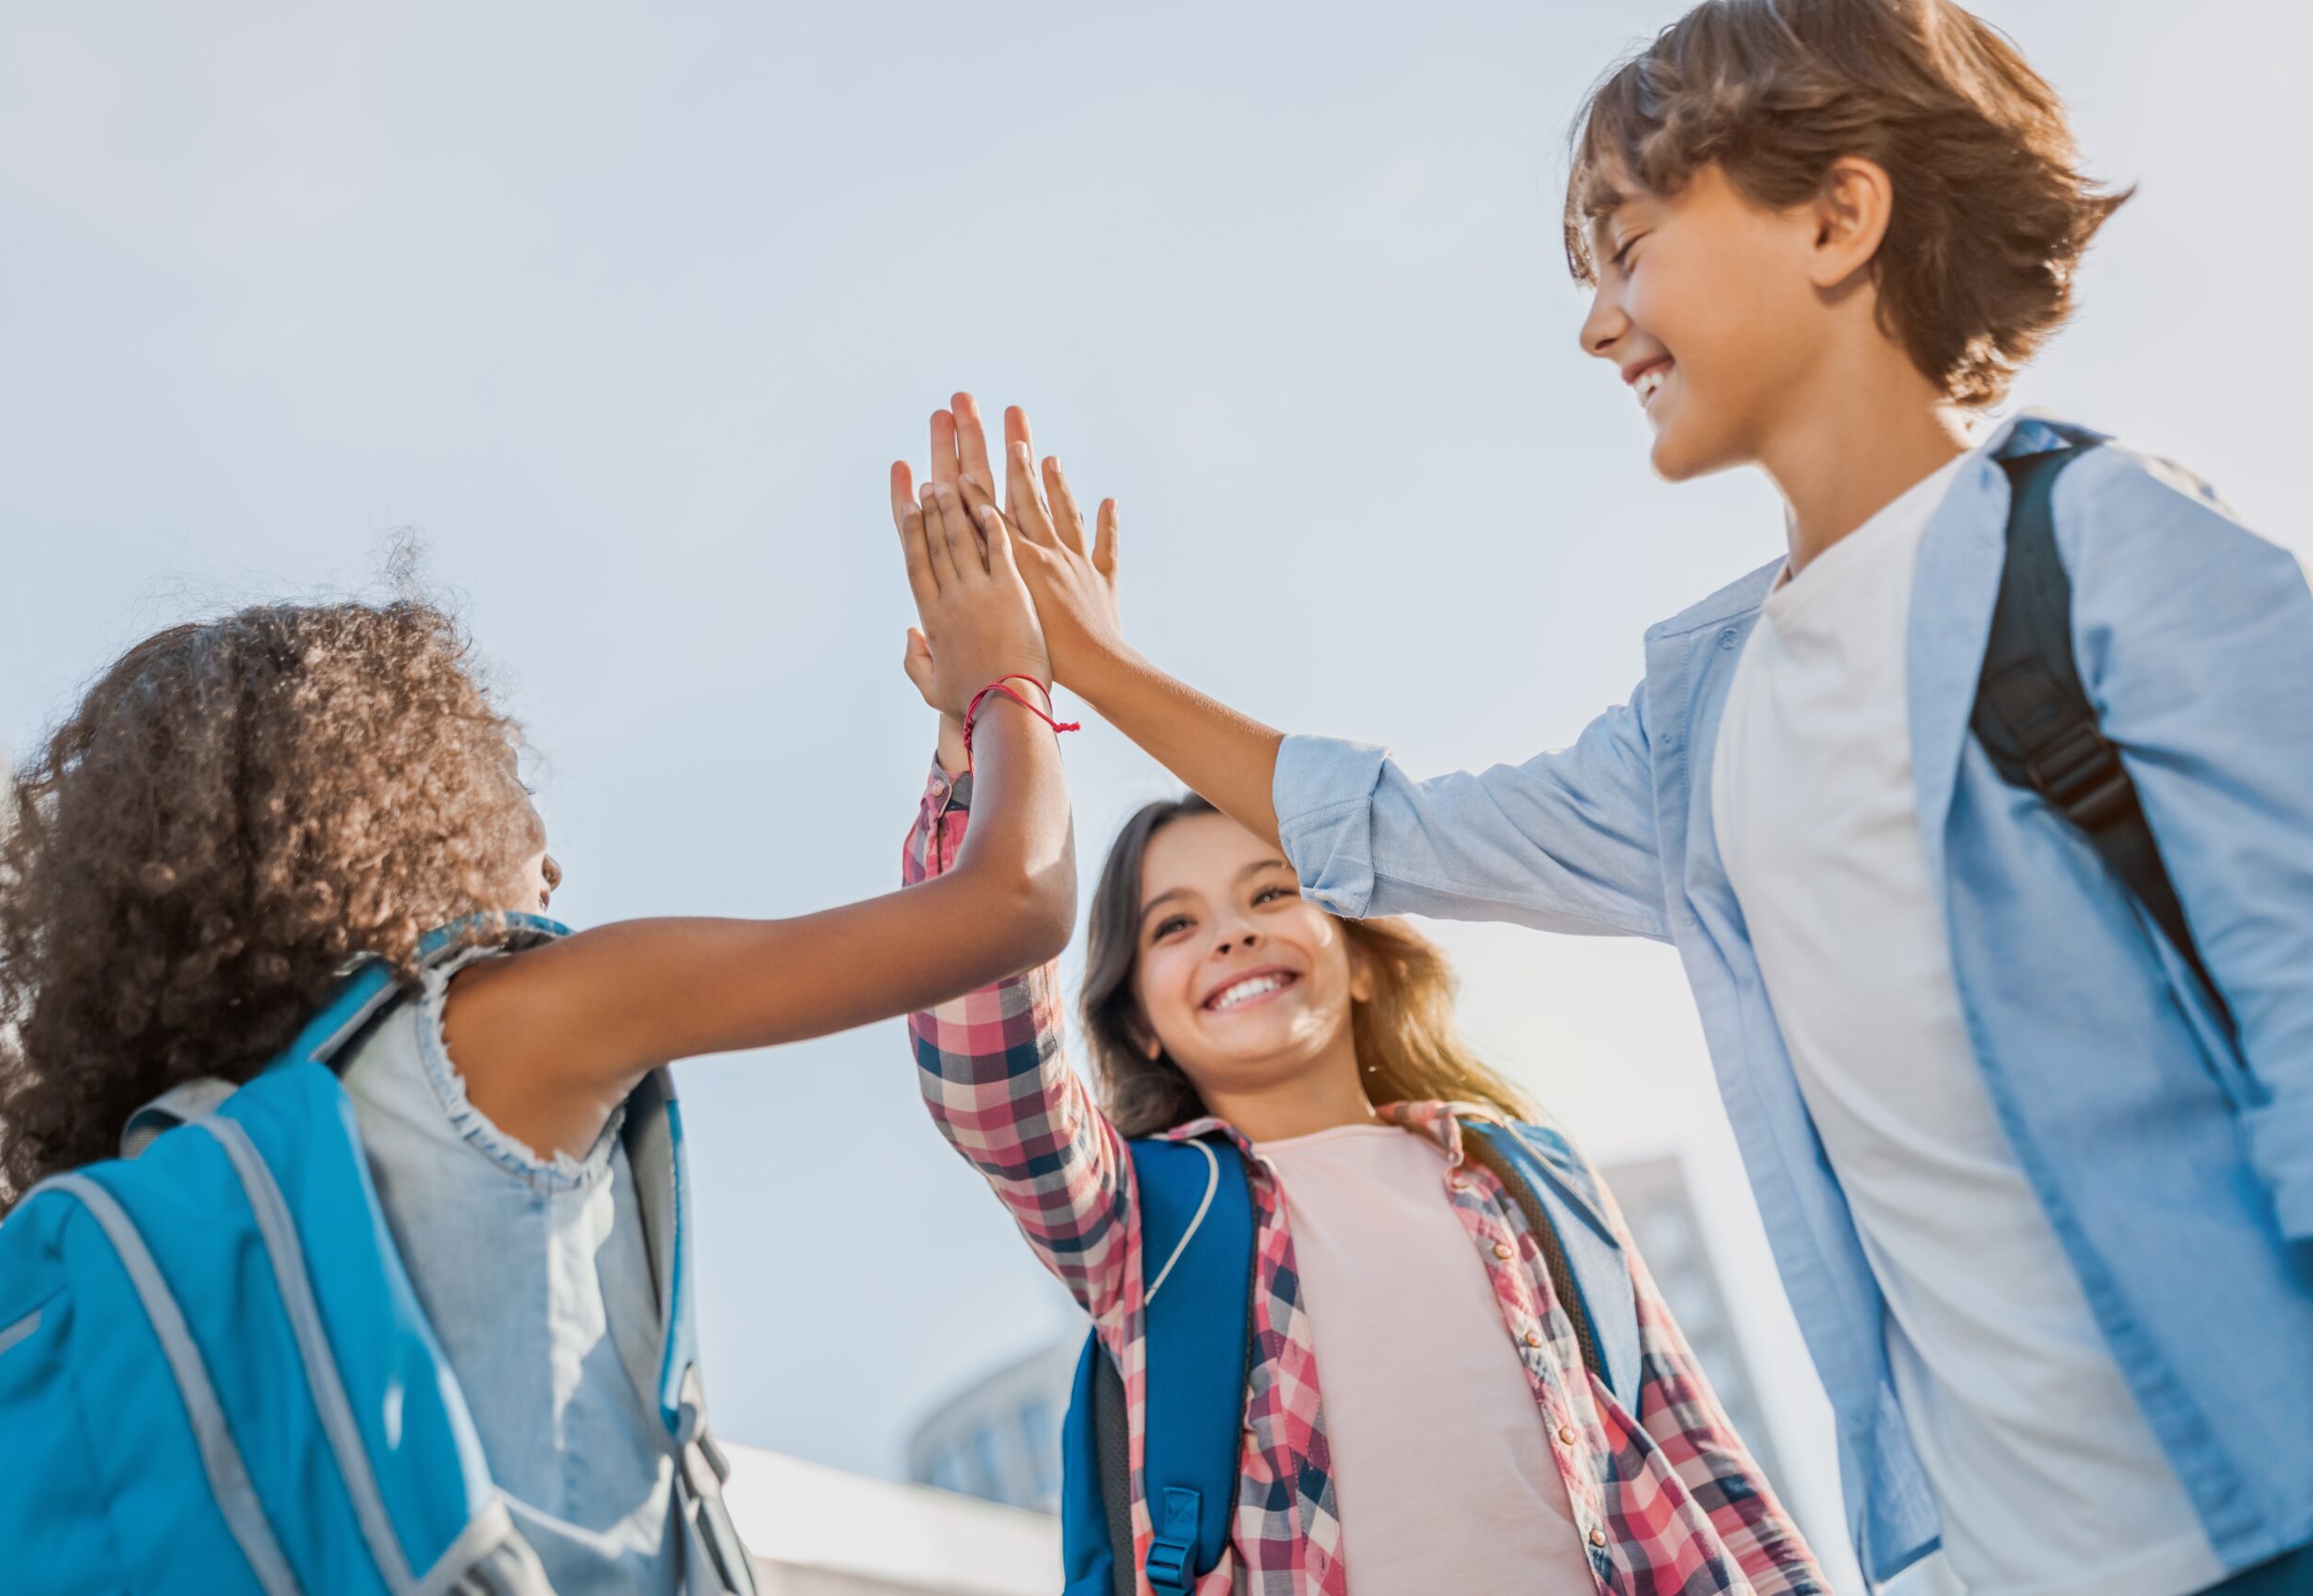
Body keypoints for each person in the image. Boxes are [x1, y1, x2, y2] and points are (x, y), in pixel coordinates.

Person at [918, 1, 2313, 1590]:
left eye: (1631, 247)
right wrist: (1089, 672)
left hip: (2259, 1509)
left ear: (1837, 220)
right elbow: (1392, 825)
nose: (1599, 322)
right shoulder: (1696, 732)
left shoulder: (2106, 552)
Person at [0, 498, 1073, 1594]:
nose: (551, 863)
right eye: (510, 789)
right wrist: (1006, 679)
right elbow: (1014, 902)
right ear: (402, 803)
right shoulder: (505, 1024)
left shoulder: (212, 1170)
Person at [892, 409, 1828, 1595]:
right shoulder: (1154, 1220)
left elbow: (1702, 1475)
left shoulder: (1527, 1183)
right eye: (1174, 925)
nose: (1230, 930)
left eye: (1271, 891)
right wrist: (990, 722)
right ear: (1136, 1018)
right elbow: (991, 1081)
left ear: (1367, 952)